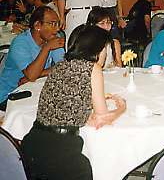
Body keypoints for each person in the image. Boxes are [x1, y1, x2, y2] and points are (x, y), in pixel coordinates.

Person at [21, 25, 127, 180]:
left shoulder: (60, 65)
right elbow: (103, 118)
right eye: (105, 48)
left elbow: (67, 103)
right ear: (98, 48)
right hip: (62, 154)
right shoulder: (93, 68)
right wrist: (121, 107)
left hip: (32, 145)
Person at [0, 6, 65, 110]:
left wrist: (37, 75)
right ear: (37, 25)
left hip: (34, 89)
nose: (57, 29)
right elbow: (32, 75)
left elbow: (63, 67)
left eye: (57, 24)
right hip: (10, 94)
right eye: (52, 24)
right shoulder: (20, 43)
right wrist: (47, 48)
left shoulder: (53, 37)